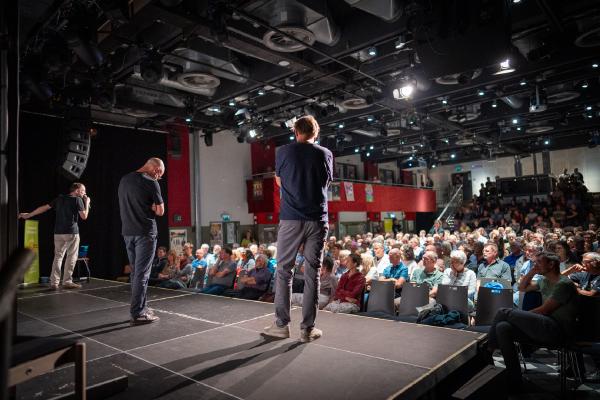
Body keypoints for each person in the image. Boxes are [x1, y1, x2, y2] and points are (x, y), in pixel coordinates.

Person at [263, 115, 333, 343]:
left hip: (291, 218)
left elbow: (280, 181)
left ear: (296, 132)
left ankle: (281, 325)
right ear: (316, 132)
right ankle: (307, 329)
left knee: (284, 270)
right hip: (318, 220)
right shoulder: (325, 153)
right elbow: (326, 183)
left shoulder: (284, 152)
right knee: (313, 273)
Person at [488, 252, 578, 390]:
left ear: (551, 264)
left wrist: (519, 316)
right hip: (545, 324)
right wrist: (532, 271)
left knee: (503, 312)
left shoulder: (564, 284)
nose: (535, 265)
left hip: (558, 329)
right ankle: (515, 378)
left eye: (538, 263)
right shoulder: (544, 281)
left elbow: (545, 310)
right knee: (503, 327)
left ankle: (488, 350)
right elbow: (522, 287)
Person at [118, 157, 165, 325]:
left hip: (128, 233)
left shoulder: (124, 180)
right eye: (160, 175)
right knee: (142, 274)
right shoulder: (151, 181)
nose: (159, 178)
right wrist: (151, 206)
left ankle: (142, 307)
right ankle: (138, 312)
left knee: (136, 272)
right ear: (156, 170)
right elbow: (161, 211)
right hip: (145, 233)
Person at [19, 182, 91, 290]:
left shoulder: (59, 199)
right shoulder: (78, 199)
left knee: (58, 257)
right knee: (71, 256)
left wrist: (29, 215)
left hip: (58, 233)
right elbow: (84, 216)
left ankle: (54, 282)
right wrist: (87, 202)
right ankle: (67, 281)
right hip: (71, 233)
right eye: (83, 190)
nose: (84, 192)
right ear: (76, 190)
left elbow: (45, 207)